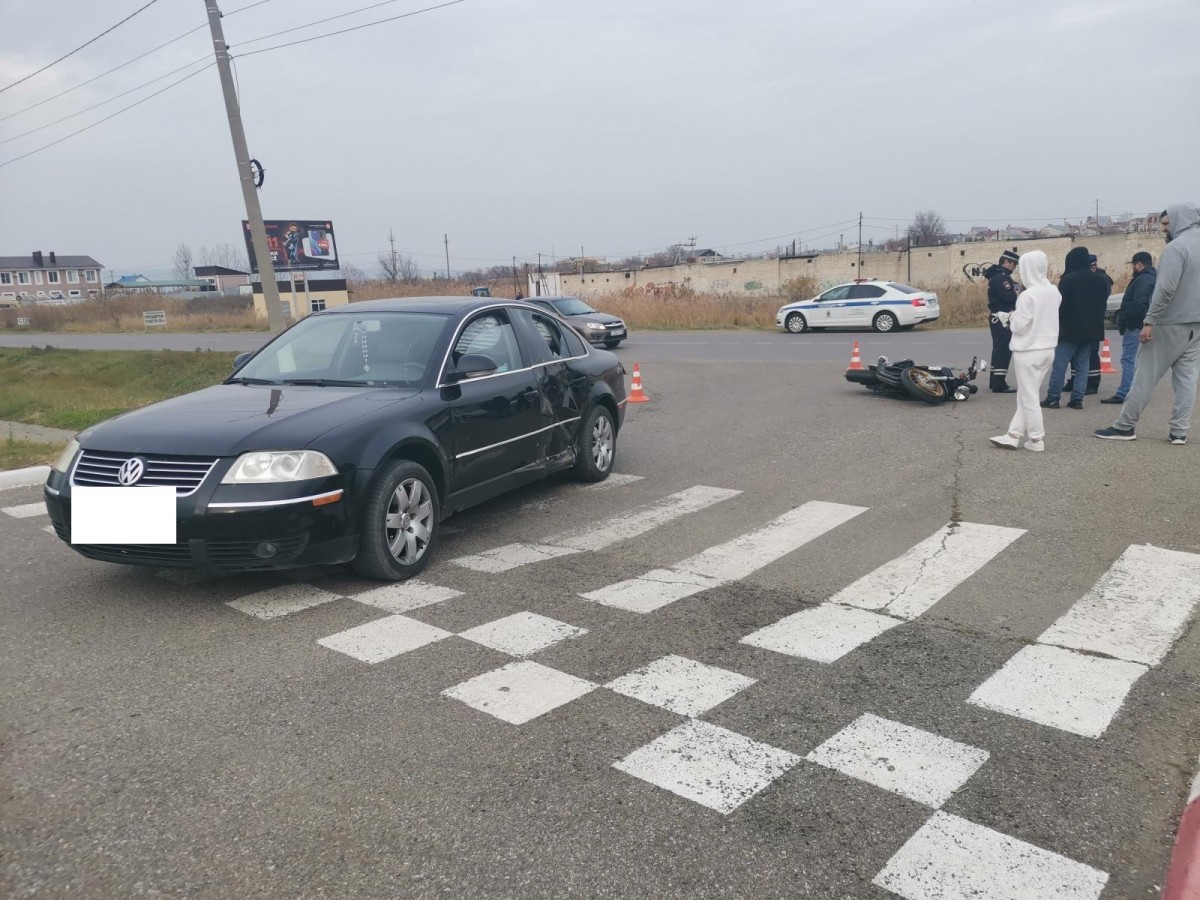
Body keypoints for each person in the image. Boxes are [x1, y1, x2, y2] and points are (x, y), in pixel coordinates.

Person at [1096, 203, 1200, 445]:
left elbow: (1166, 289)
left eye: (1166, 224)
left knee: (1144, 375)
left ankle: (1125, 426)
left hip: (1169, 322)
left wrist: (1150, 320)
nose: (1165, 229)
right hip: (1196, 325)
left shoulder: (1177, 248)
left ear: (1179, 220)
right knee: (1187, 380)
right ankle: (1179, 432)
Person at [991, 251, 1061, 452]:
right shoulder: (1053, 291)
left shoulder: (1027, 296)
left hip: (1028, 351)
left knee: (1028, 397)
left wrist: (1010, 318)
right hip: (1048, 349)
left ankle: (1036, 439)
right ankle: (1013, 435)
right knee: (1025, 394)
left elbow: (1018, 327)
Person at [1042, 246, 1109, 409]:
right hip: (1091, 331)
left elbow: (1061, 306)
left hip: (1069, 330)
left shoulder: (1068, 279)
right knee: (1083, 365)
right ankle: (1077, 399)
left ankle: (1053, 397)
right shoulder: (1101, 279)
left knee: (1060, 364)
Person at [1101, 251, 1156, 404]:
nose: (1132, 268)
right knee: (1137, 361)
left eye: (1133, 265)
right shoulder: (1150, 277)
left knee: (1128, 360)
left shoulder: (1143, 280)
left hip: (1136, 326)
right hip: (1141, 324)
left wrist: (1130, 323)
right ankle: (1134, 392)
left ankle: (1125, 393)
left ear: (1139, 264)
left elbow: (1139, 304)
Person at [985, 250, 1021, 392]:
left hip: (999, 317)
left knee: (998, 349)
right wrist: (1019, 292)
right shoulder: (1001, 278)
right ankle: (999, 384)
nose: (1015, 267)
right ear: (1006, 262)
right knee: (1003, 350)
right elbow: (1010, 297)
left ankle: (995, 381)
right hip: (1002, 317)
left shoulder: (999, 276)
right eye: (1014, 264)